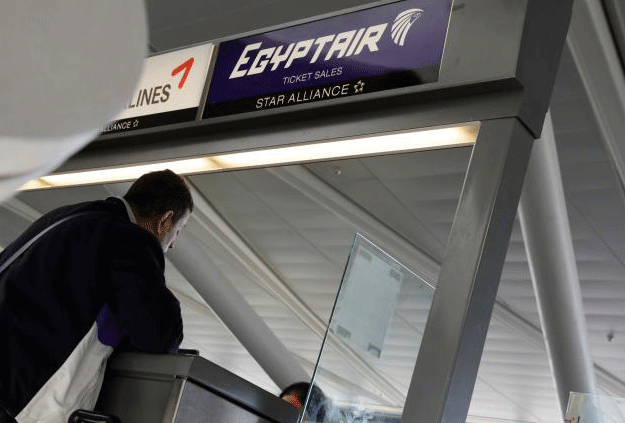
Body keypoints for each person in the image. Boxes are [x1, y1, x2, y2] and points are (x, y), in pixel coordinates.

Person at [0, 169, 193, 423]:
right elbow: (157, 332)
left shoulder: (70, 217)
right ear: (165, 221)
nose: (174, 243)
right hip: (16, 398)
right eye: (179, 230)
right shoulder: (130, 239)